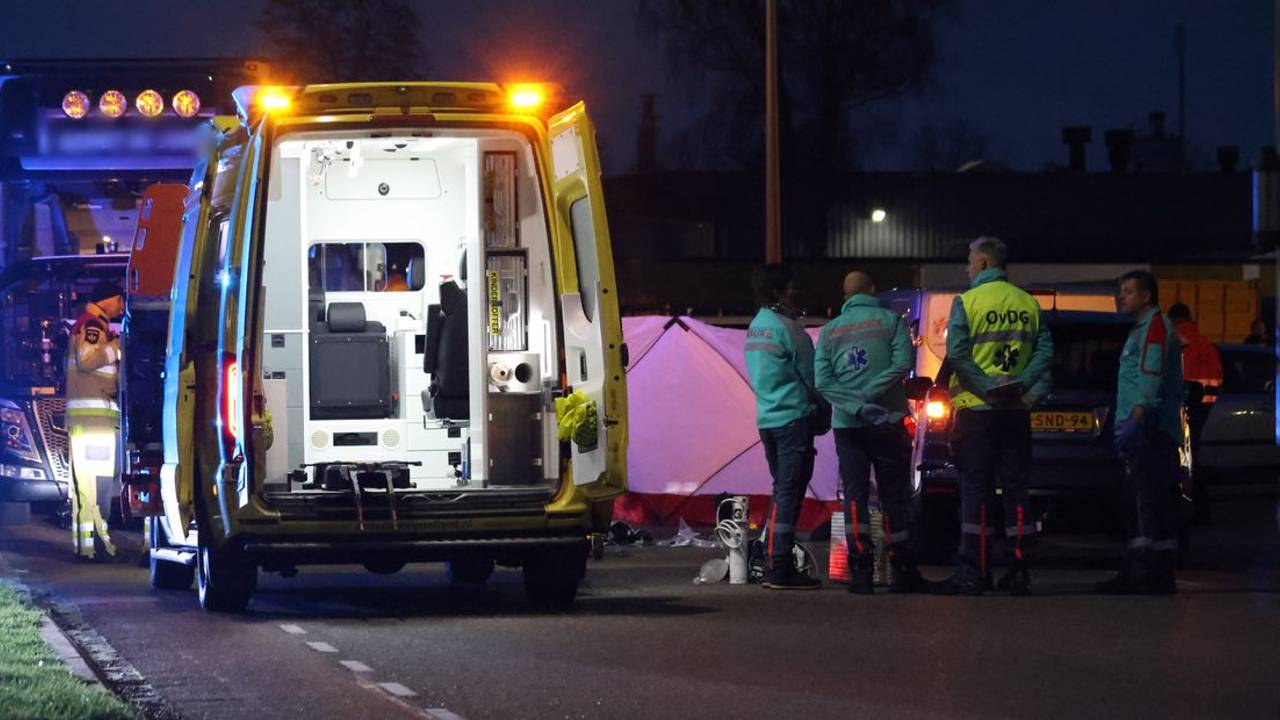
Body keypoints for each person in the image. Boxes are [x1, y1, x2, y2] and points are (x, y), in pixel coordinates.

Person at [932, 237, 1053, 596]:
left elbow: (957, 353)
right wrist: (1019, 387)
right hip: (1015, 411)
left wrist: (988, 387)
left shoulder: (967, 302)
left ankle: (974, 570)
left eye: (969, 262)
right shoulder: (1027, 302)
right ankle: (1019, 569)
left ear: (984, 263)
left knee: (977, 489)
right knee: (1016, 487)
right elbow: (1045, 351)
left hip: (977, 411)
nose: (966, 269)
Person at [814, 271, 926, 594]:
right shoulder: (891, 321)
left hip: (848, 426)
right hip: (887, 421)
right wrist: (871, 393)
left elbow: (823, 381)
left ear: (845, 295)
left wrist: (854, 403)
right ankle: (902, 569)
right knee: (894, 494)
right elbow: (902, 363)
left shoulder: (831, 330)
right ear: (873, 290)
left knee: (855, 496)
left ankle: (860, 571)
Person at [1098, 271, 1183, 595]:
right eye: (1121, 291)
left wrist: (1136, 418)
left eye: (1129, 291)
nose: (1122, 296)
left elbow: (1150, 376)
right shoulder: (1141, 329)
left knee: (1147, 501)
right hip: (1143, 427)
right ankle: (1146, 571)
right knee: (1143, 501)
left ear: (1146, 296)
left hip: (1150, 428)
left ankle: (1149, 574)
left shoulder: (1154, 327)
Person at [745, 264, 825, 590]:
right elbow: (813, 377)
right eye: (791, 287)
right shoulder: (790, 330)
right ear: (779, 291)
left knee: (782, 488)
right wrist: (824, 411)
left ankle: (773, 558)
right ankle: (778, 565)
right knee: (789, 492)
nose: (796, 293)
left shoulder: (756, 326)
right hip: (794, 419)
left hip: (768, 419)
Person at [65, 280, 125, 561]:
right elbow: (87, 360)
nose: (122, 306)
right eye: (120, 300)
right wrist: (117, 349)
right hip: (94, 423)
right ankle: (95, 545)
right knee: (97, 487)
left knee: (89, 487)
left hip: (90, 423)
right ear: (108, 300)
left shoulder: (92, 324)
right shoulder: (92, 325)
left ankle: (87, 545)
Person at [1167, 302, 1221, 521]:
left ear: (1174, 320)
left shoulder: (1177, 343)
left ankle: (1193, 508)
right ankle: (1198, 507)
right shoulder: (1204, 344)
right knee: (1189, 458)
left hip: (1184, 409)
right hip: (1204, 407)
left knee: (1184, 460)